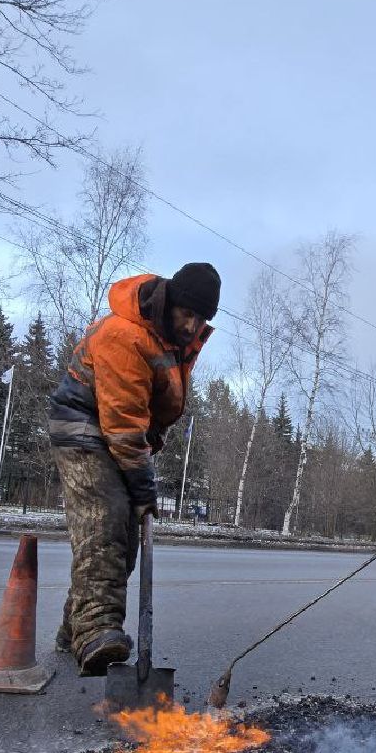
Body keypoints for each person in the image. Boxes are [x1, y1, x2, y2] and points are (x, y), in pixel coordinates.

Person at [47, 262, 220, 673]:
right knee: (104, 520)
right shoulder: (125, 334)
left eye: (201, 318)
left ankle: (73, 628)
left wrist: (144, 464)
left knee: (122, 538)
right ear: (170, 302)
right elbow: (123, 423)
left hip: (120, 435)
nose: (192, 325)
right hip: (83, 425)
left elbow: (145, 413)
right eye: (187, 313)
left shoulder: (174, 340)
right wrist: (143, 486)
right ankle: (95, 633)